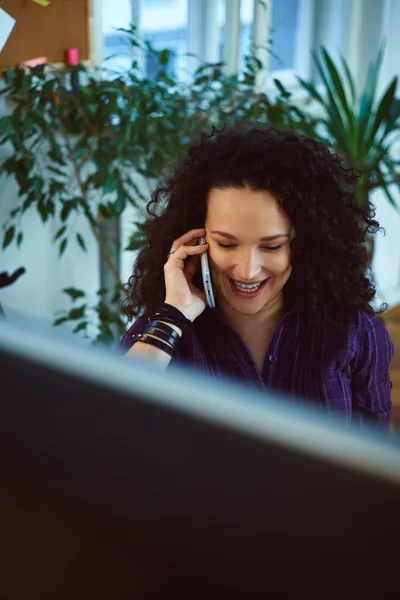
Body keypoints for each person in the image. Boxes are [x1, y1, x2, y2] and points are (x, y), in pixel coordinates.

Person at [120, 125, 393, 428]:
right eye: (227, 244)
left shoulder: (355, 332)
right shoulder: (165, 332)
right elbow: (107, 422)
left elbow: (373, 458)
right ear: (196, 240)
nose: (247, 270)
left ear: (301, 245)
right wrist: (174, 315)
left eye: (272, 246)